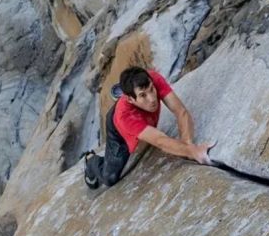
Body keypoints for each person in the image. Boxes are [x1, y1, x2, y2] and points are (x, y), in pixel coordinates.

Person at [83, 66, 214, 189]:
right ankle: (91, 161)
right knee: (109, 178)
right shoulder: (125, 117)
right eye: (143, 95)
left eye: (152, 89)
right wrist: (191, 151)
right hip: (117, 128)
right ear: (130, 100)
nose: (152, 99)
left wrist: (188, 146)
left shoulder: (153, 78)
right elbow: (160, 141)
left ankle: (128, 92)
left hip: (132, 105)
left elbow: (181, 111)